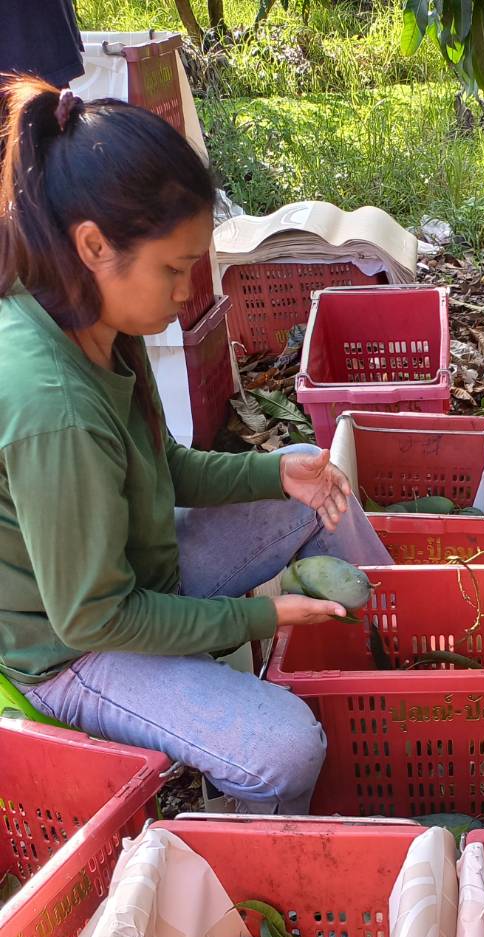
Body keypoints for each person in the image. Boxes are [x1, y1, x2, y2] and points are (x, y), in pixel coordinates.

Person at [0, 80, 391, 813]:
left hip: (139, 566)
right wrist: (258, 617)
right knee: (286, 750)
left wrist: (277, 472)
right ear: (94, 245)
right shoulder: (55, 406)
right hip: (76, 652)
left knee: (320, 492)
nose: (186, 290)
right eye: (173, 269)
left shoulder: (96, 317)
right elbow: (96, 618)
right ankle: (261, 852)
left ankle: (397, 662)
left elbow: (166, 467)